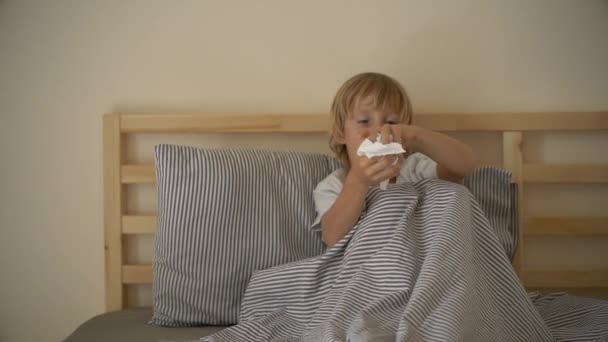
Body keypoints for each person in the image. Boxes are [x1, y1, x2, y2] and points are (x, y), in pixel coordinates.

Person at [312, 72, 477, 247]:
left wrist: (415, 135)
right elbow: (332, 239)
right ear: (340, 134)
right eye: (364, 121)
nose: (378, 131)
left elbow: (464, 166)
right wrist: (358, 181)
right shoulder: (334, 185)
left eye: (391, 123)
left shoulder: (415, 168)